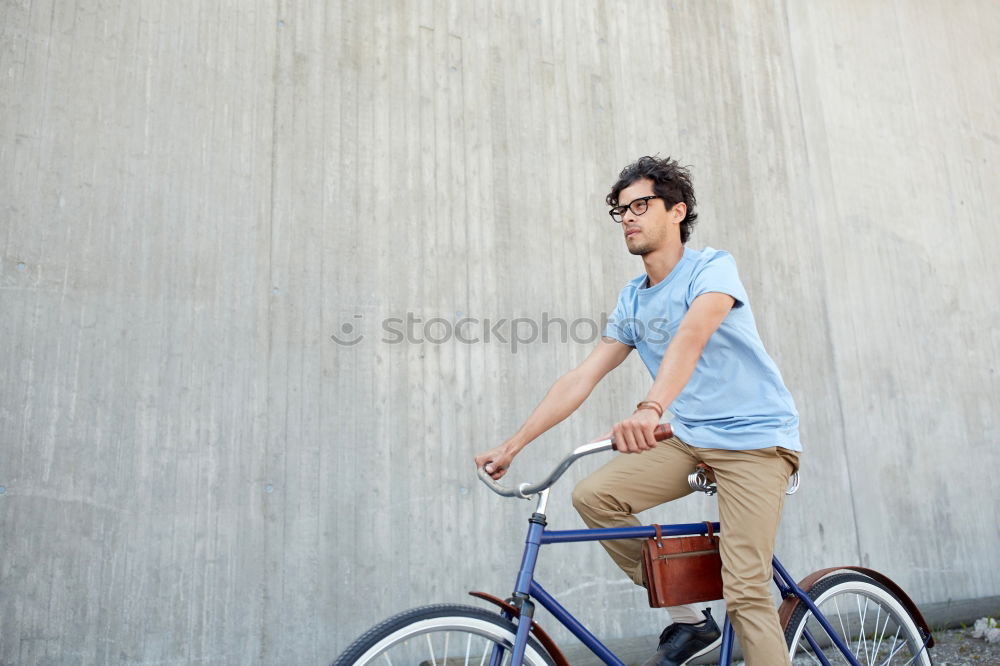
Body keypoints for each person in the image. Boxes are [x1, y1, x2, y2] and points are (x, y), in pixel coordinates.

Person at [474, 155, 801, 666]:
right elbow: (582, 376)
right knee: (595, 497)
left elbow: (692, 336)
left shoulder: (713, 268)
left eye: (640, 205)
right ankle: (692, 622)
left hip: (755, 440)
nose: (627, 217)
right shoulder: (632, 299)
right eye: (620, 210)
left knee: (746, 592)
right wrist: (514, 445)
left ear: (677, 211)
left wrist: (651, 407)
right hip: (693, 437)